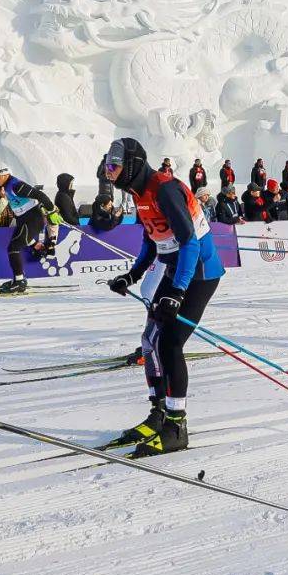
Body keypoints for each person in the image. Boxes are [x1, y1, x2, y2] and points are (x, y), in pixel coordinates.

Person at [102, 138, 224, 456]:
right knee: (150, 340)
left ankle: (176, 426)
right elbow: (152, 239)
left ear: (131, 164)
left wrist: (177, 291)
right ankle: (158, 414)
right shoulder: (139, 194)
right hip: (176, 271)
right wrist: (133, 274)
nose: (109, 173)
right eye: (107, 166)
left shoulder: (165, 190)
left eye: (113, 166)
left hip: (199, 273)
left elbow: (189, 243)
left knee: (169, 343)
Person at [0, 163, 57, 294]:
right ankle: (18, 278)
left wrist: (52, 210)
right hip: (24, 220)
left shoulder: (16, 185)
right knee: (16, 244)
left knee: (13, 248)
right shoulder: (5, 187)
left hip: (32, 218)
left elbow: (39, 195)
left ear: (3, 174)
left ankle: (19, 281)